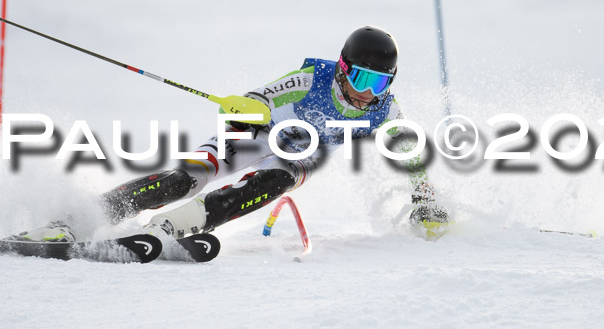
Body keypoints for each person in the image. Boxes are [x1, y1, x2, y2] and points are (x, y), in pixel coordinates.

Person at [18, 26, 448, 243]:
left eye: (378, 83)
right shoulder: (310, 79)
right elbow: (261, 96)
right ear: (341, 68)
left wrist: (425, 200)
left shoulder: (386, 112)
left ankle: (172, 228)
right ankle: (76, 220)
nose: (365, 92)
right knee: (184, 178)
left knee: (278, 178)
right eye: (360, 77)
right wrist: (249, 106)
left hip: (297, 154)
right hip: (256, 134)